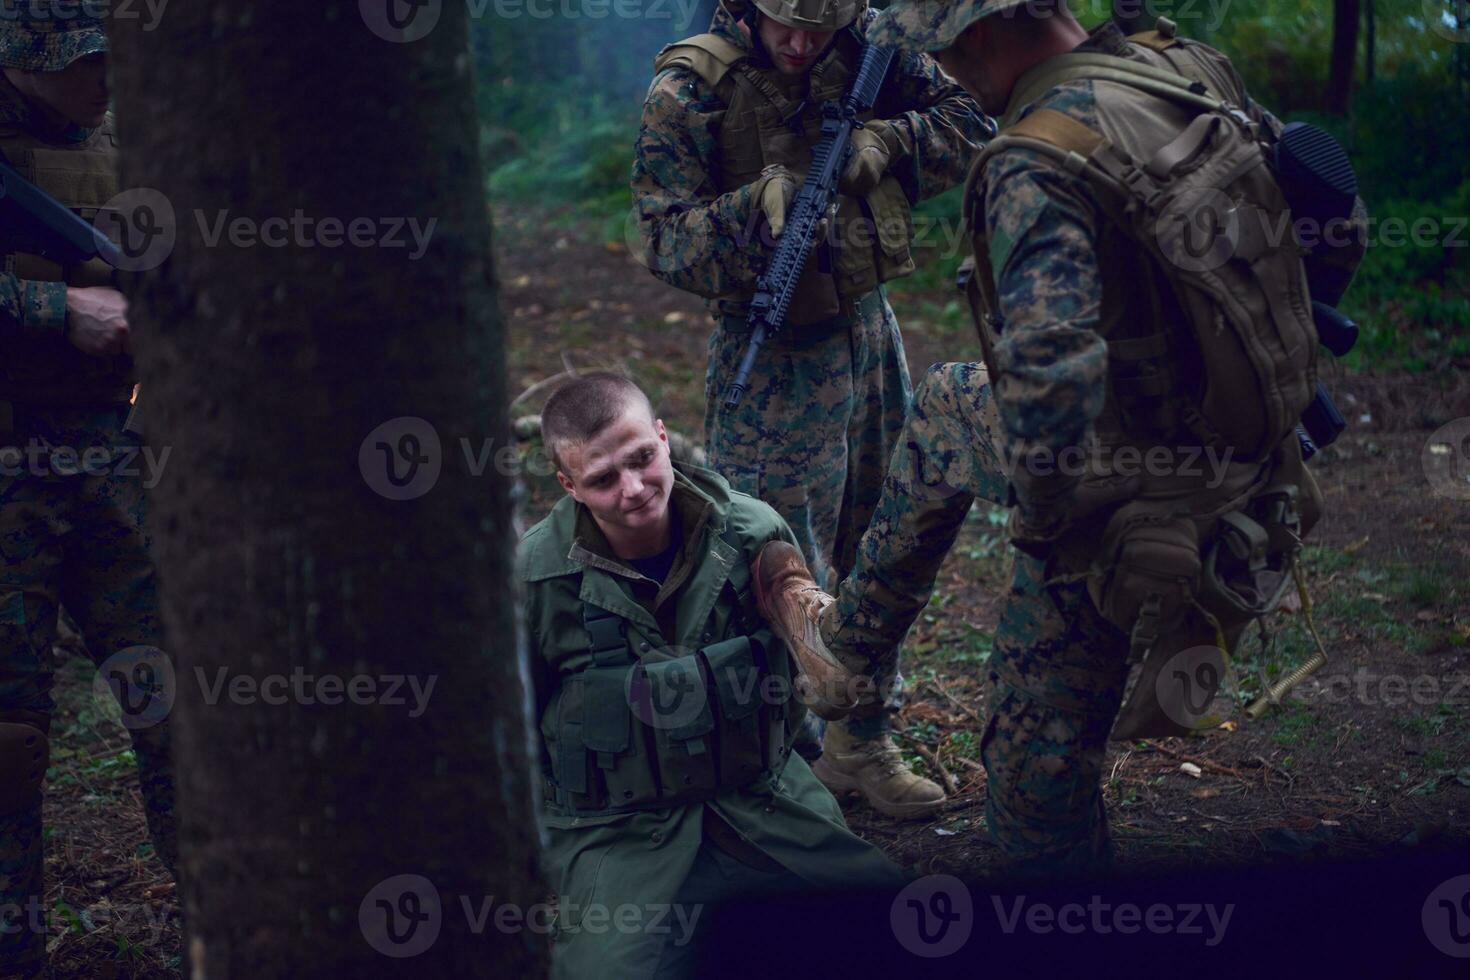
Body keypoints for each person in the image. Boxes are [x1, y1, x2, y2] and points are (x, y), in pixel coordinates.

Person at [753, 0, 1367, 877]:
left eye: (952, 52)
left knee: (1037, 794)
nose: (954, 73)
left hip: (1129, 497)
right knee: (948, 402)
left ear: (987, 32)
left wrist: (1050, 538)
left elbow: (1050, 381)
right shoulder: (1179, 67)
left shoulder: (1040, 158)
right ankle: (847, 658)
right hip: (1244, 449)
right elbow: (1333, 219)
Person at [632, 0, 989, 820]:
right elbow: (660, 238)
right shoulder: (691, 87)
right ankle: (772, 761)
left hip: (868, 328)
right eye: (785, 27)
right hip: (773, 354)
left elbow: (974, 121)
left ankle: (859, 745)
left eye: (817, 33)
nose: (800, 46)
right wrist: (747, 209)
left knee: (880, 538)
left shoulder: (871, 49)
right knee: (770, 565)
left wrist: (887, 142)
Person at [520, 373, 902, 978]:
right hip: (618, 834)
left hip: (764, 804)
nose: (635, 487)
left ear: (664, 437)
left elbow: (808, 663)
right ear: (569, 486)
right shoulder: (536, 581)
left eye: (642, 457)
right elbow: (512, 740)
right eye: (602, 479)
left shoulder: (750, 533)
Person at [0, 4, 176, 972]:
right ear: (21, 60)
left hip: (116, 457)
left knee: (180, 704)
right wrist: (48, 307)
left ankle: (227, 932)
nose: (102, 78)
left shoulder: (131, 132)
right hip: (6, 469)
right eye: (82, 64)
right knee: (10, 738)